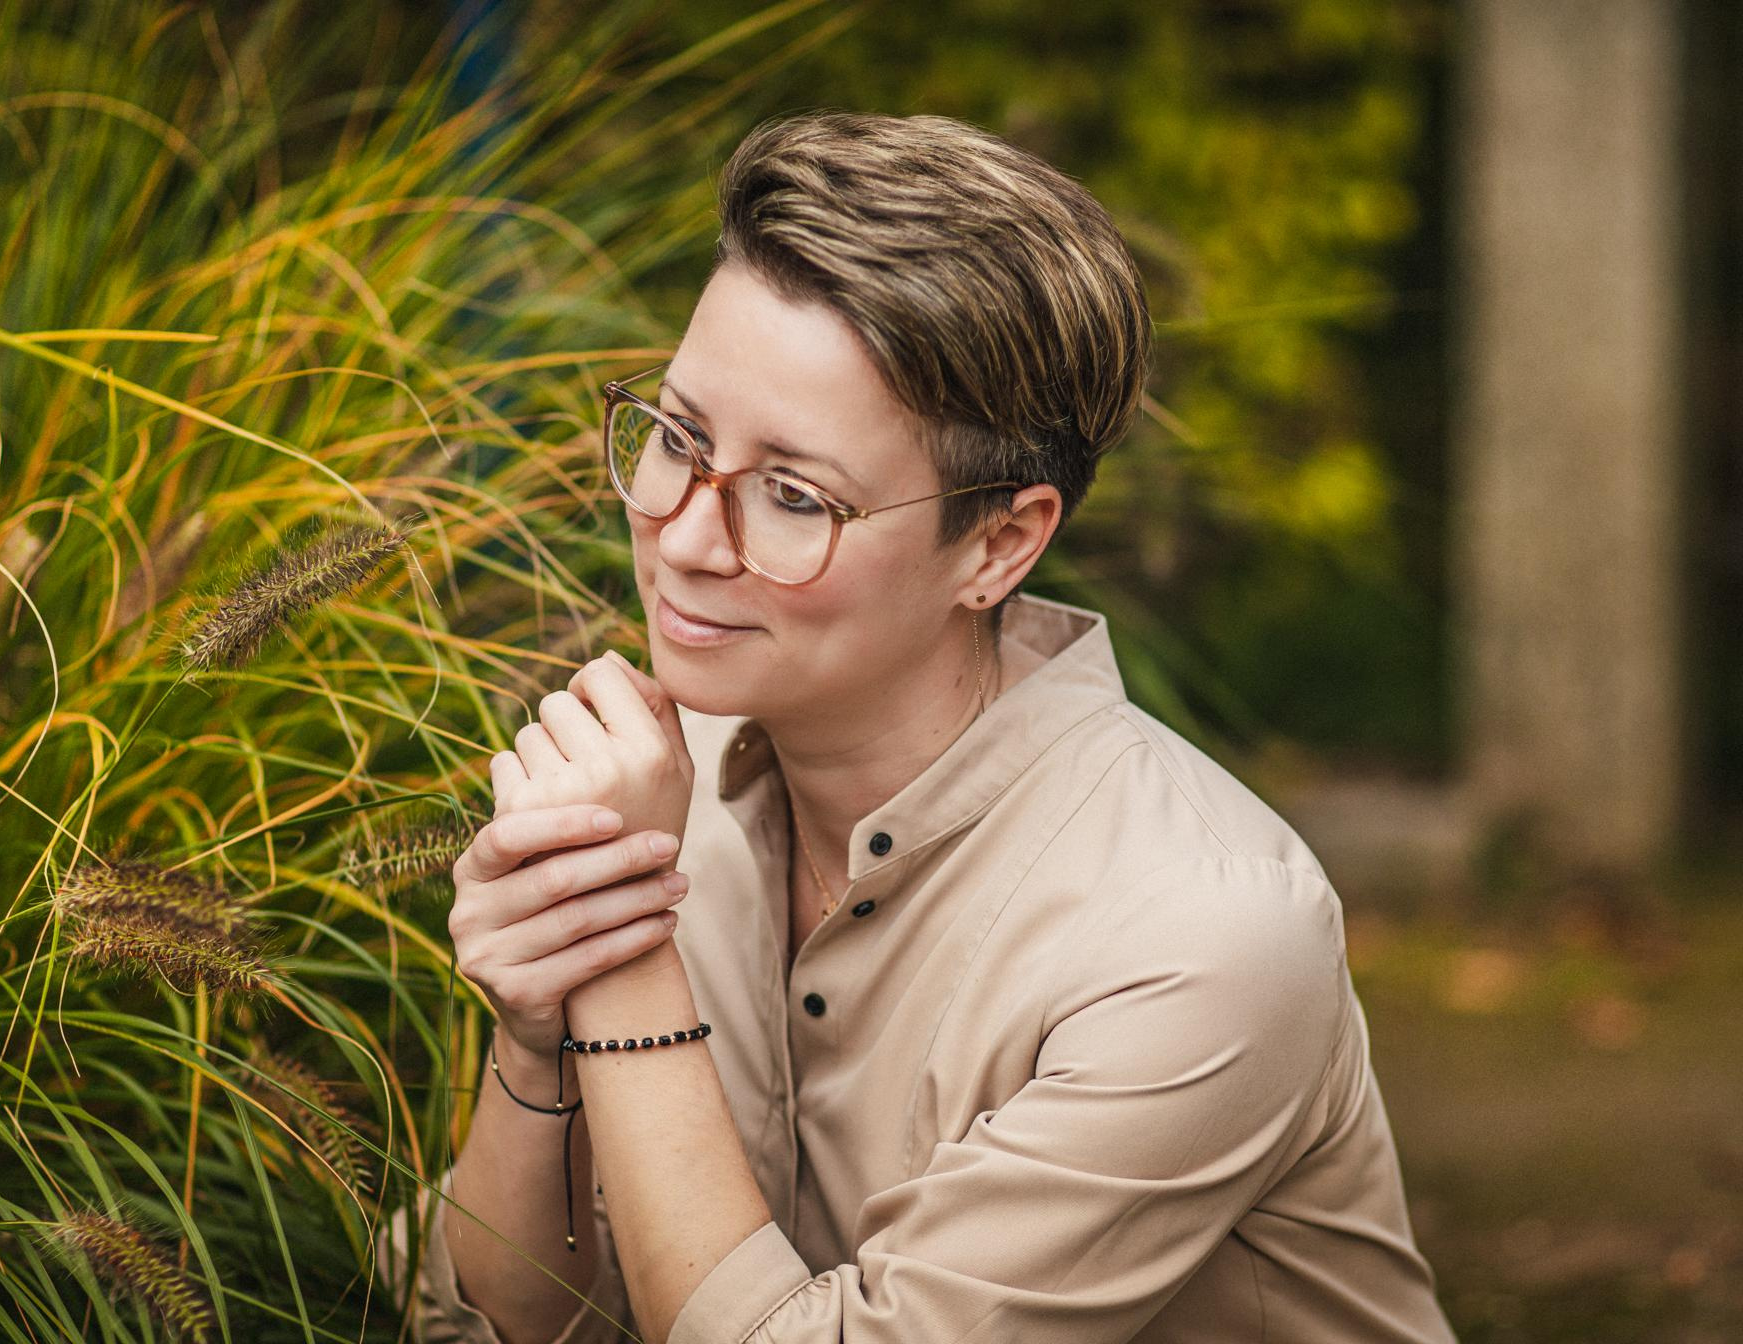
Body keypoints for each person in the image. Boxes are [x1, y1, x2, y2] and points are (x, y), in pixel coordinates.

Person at [399, 110, 1456, 1344]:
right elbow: (494, 1329)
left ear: (1000, 544)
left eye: (795, 498)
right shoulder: (673, 803)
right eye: (679, 439)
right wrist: (537, 1040)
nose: (682, 536)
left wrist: (623, 949)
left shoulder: (1202, 934)